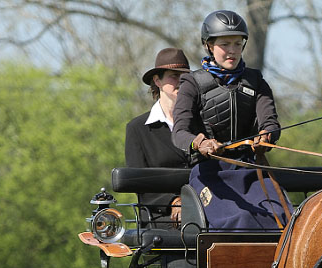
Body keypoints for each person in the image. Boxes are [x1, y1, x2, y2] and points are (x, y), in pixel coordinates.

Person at [171, 9, 292, 231]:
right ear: (209, 45)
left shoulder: (256, 81)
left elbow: (271, 123)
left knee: (284, 219)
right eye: (225, 44)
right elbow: (179, 132)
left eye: (238, 44)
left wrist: (267, 136)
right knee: (241, 219)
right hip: (209, 173)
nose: (232, 51)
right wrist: (200, 143)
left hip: (250, 170)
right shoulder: (192, 83)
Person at [125, 47, 191, 224]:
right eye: (173, 76)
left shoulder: (201, 124)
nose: (180, 81)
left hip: (204, 210)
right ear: (157, 81)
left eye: (184, 77)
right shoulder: (137, 129)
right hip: (160, 217)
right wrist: (173, 202)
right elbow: (140, 183)